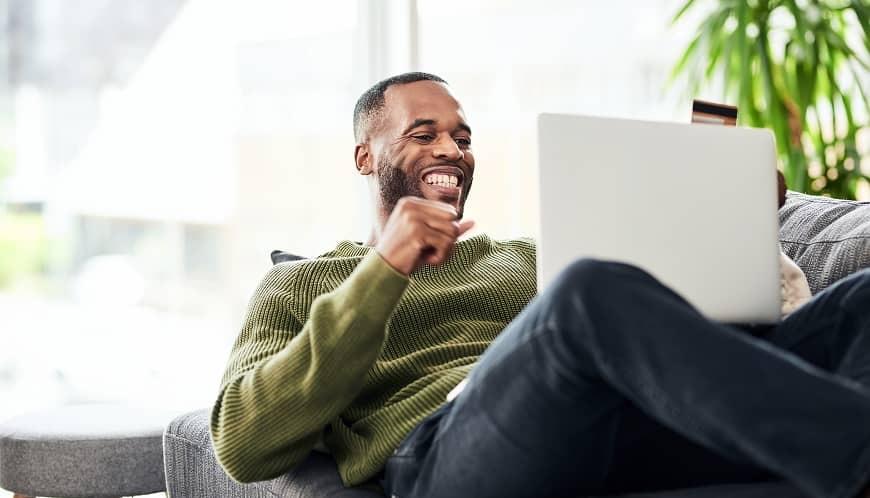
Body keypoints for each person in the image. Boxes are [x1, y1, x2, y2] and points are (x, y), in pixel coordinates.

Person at [210, 72, 870, 498]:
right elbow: (243, 440)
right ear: (365, 157)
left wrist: (729, 215)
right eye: (424, 133)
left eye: (462, 137)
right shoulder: (302, 283)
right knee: (584, 294)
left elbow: (675, 343)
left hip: (612, 426)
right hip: (447, 457)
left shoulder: (529, 258)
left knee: (860, 301)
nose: (452, 148)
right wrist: (385, 267)